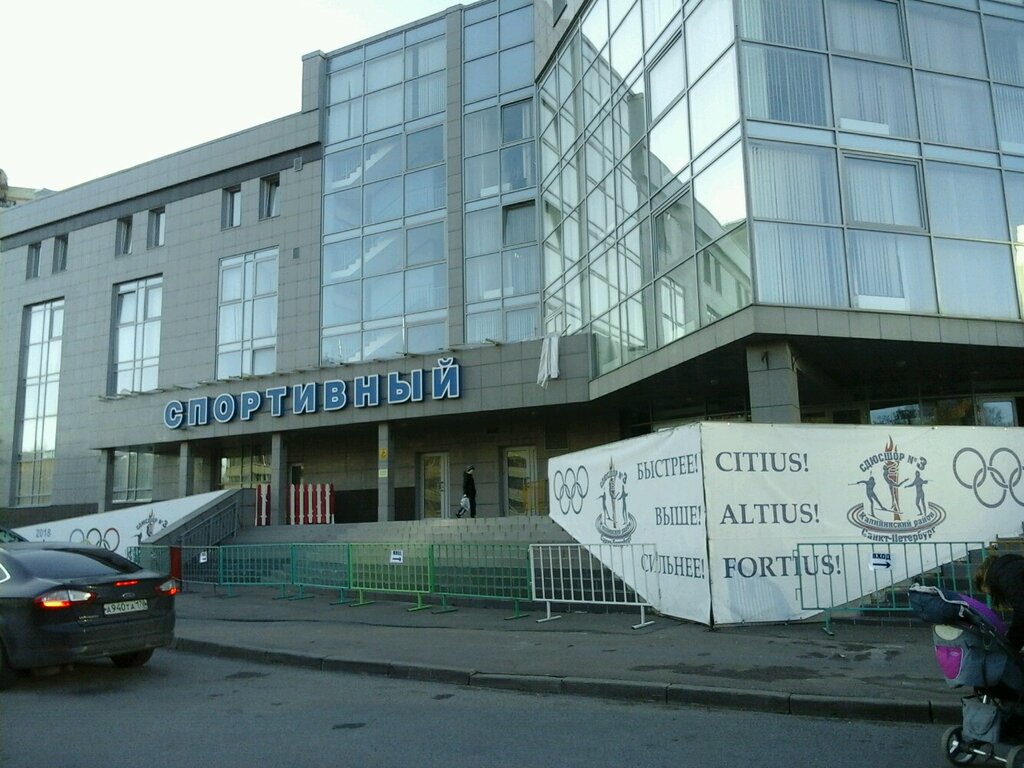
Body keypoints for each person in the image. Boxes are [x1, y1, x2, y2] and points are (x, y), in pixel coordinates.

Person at [974, 553, 1024, 651]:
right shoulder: (1012, 567)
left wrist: (1011, 645)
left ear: (984, 582)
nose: (990, 595)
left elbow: (1022, 612)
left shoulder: (1006, 576)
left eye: (989, 593)